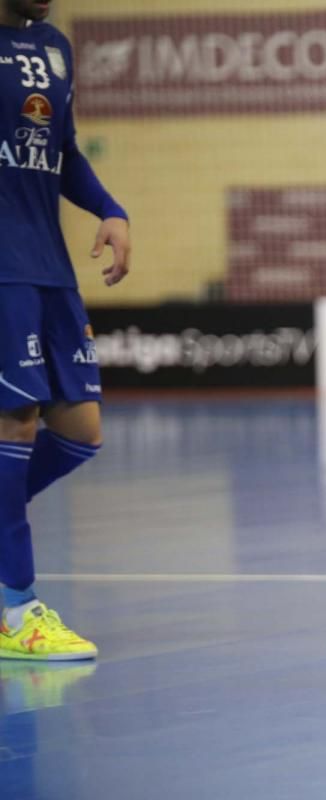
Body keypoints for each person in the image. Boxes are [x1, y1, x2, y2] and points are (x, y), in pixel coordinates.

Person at [1, 0, 132, 660]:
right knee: (14, 422)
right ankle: (16, 611)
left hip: (49, 262)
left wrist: (110, 210)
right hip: (2, 266)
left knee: (80, 430)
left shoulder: (54, 45)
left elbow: (63, 151)